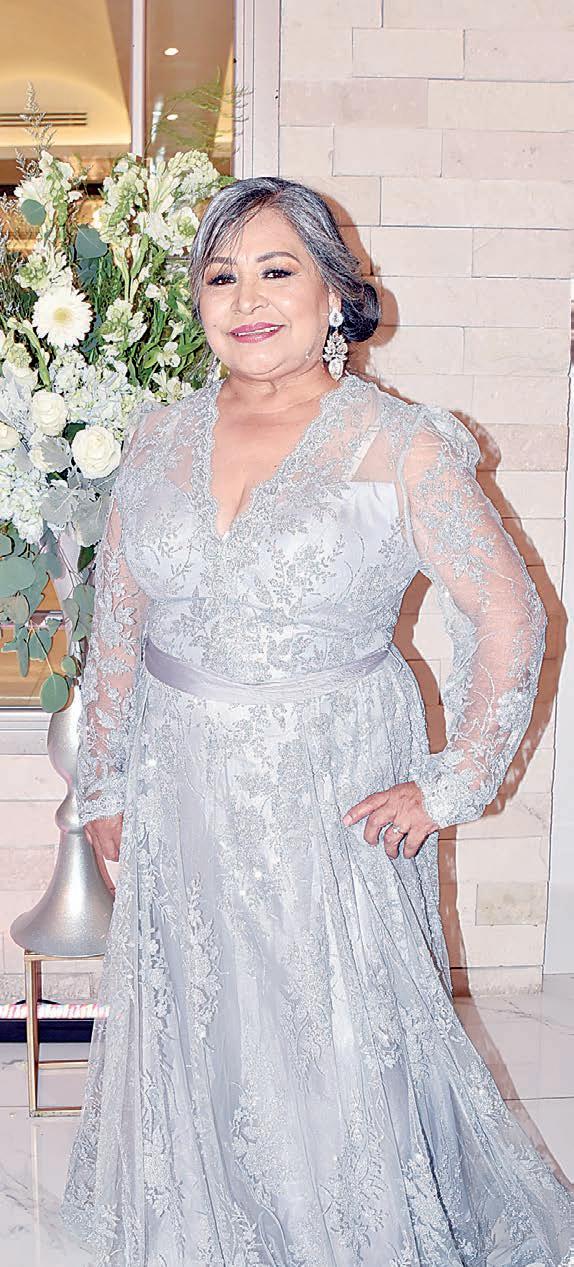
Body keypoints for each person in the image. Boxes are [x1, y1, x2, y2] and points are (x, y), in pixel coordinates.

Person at [60, 176, 573, 1267]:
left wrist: (451, 781)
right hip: (180, 778)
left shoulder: (399, 442)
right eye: (221, 276)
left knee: (331, 1024)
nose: (246, 298)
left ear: (335, 294)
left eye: (276, 270)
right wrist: (101, 777)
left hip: (327, 783)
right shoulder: (157, 438)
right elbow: (121, 619)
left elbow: (510, 613)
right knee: (204, 1014)